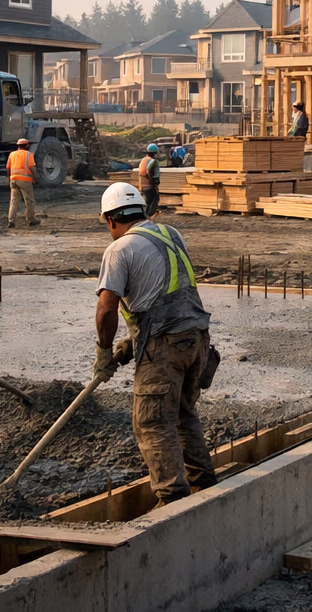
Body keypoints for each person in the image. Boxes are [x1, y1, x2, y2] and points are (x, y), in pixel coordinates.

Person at [92, 182, 217, 506]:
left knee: (151, 421)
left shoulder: (119, 249)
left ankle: (172, 500)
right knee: (181, 413)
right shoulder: (171, 234)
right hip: (197, 339)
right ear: (141, 211)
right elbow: (166, 296)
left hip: (166, 347)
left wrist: (104, 352)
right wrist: (133, 341)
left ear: (109, 220)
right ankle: (204, 484)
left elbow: (106, 309)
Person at [6, 138, 40, 228]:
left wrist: (9, 180)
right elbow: (33, 169)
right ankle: (31, 220)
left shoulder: (12, 154)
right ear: (27, 145)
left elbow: (8, 168)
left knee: (13, 201)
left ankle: (11, 221)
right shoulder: (29, 155)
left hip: (13, 180)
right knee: (29, 200)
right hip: (25, 181)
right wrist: (37, 180)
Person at [138, 144, 162, 217]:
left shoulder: (143, 160)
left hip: (142, 185)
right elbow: (152, 174)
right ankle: (148, 218)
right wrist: (156, 181)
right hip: (150, 186)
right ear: (155, 152)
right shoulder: (153, 162)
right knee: (152, 204)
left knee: (145, 203)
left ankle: (144, 216)